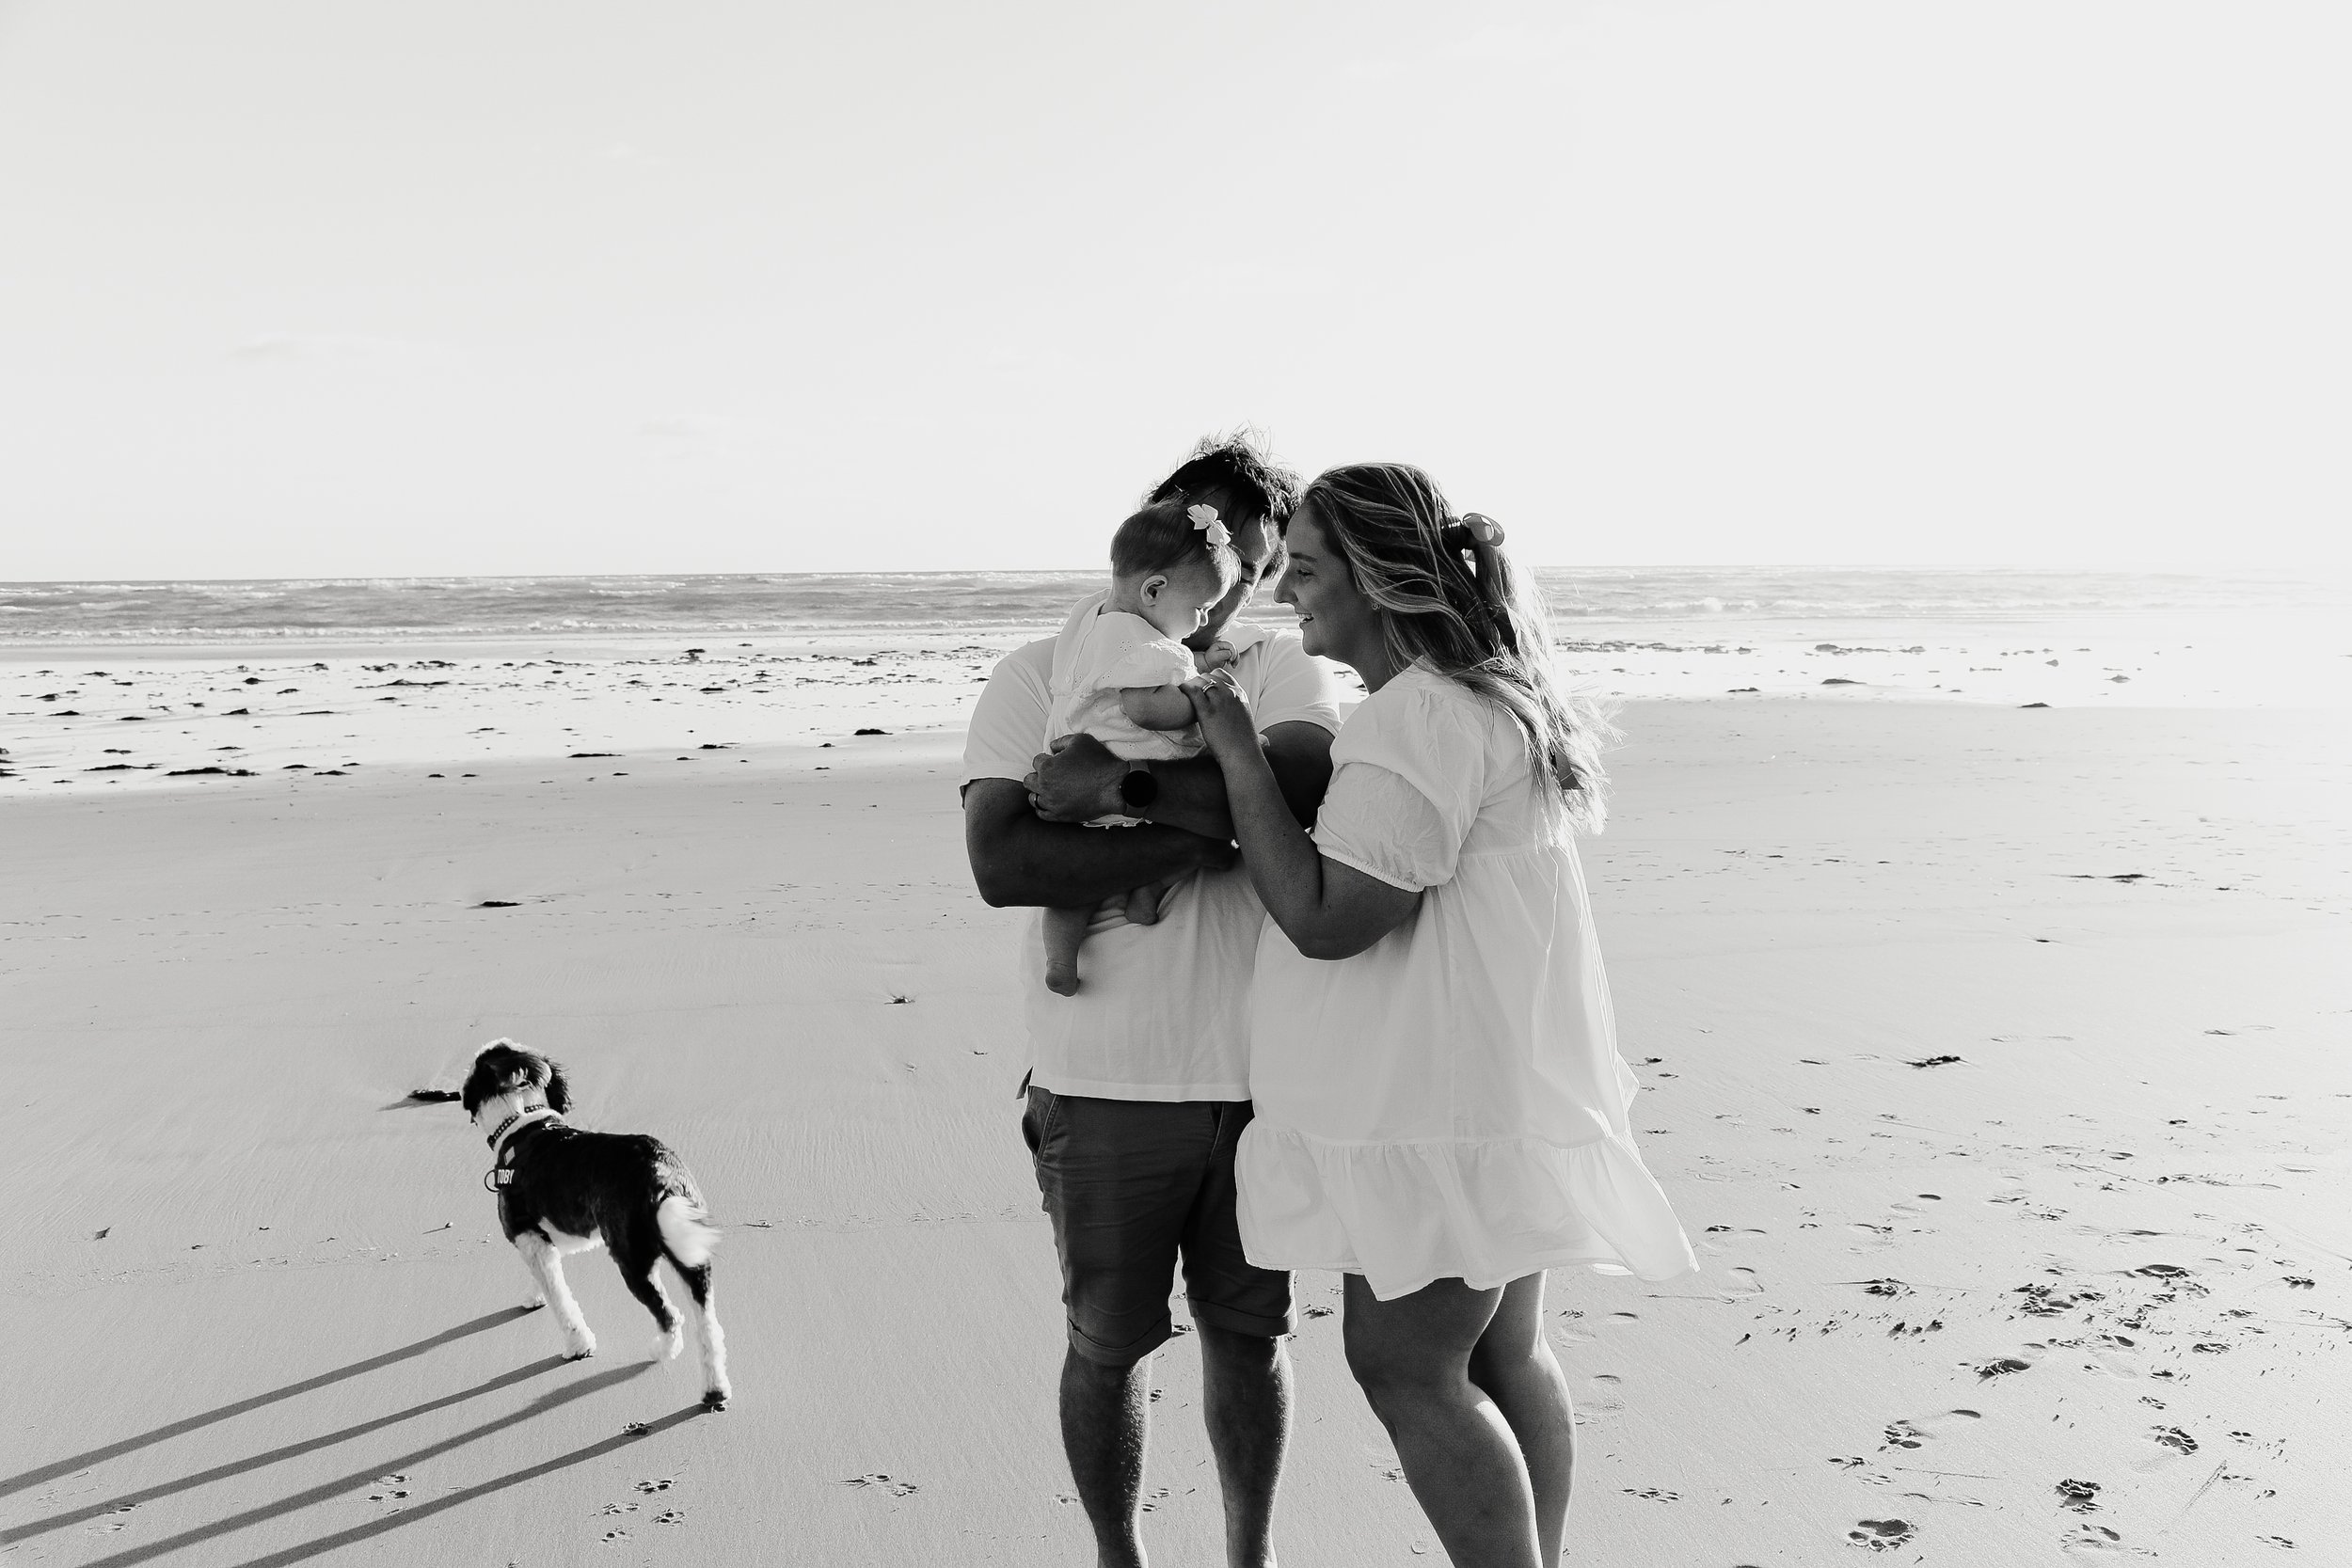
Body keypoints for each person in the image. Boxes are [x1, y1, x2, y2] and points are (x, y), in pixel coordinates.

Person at [1183, 463, 1697, 1568]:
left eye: (1305, 568)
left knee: (1405, 1364)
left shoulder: (1415, 717)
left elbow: (1328, 917)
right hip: (1496, 1084)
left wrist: (1236, 755)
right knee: (1505, 1353)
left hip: (1438, 1101)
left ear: (1373, 577)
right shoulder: (1482, 698)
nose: (1286, 592)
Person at [961, 434, 1345, 1568]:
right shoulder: (1037, 670)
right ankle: (1117, 1557)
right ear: (1163, 540)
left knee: (1250, 1337)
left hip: (1263, 1079)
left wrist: (1122, 788)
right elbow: (1004, 862)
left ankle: (1248, 1559)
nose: (1237, 593)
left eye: (1262, 570)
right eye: (1226, 561)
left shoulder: (1279, 668)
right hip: (1100, 1077)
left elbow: (1302, 790)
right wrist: (1223, 821)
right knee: (1105, 1344)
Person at [1039, 497, 1244, 996]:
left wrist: (1194, 660)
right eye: (1199, 609)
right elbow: (1148, 707)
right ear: (1154, 590)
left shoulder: (1093, 620)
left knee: (1071, 889)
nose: (1202, 622)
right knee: (1198, 841)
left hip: (1074, 782)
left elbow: (1144, 663)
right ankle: (1147, 893)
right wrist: (1202, 697)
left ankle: (1061, 959)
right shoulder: (1140, 647)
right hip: (1122, 772)